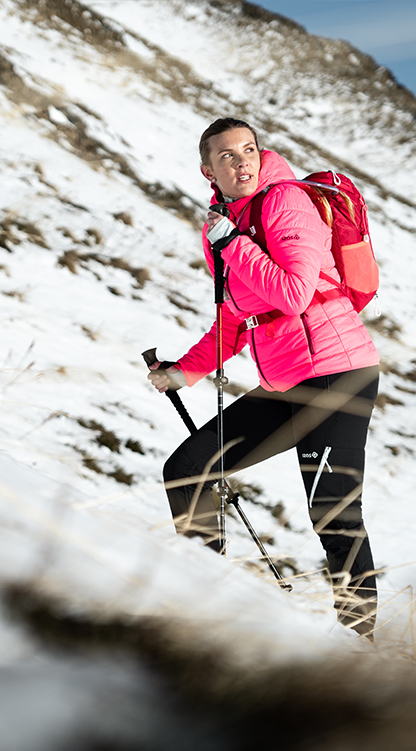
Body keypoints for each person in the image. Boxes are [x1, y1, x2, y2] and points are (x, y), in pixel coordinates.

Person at [147, 118, 381, 638]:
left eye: (248, 150)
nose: (241, 162)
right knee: (190, 467)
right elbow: (237, 318)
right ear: (208, 170)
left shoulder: (285, 202)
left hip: (337, 372)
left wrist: (235, 246)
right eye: (227, 156)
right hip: (286, 382)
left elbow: (294, 294)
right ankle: (202, 597)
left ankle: (360, 641)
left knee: (334, 513)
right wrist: (184, 370)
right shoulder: (221, 226)